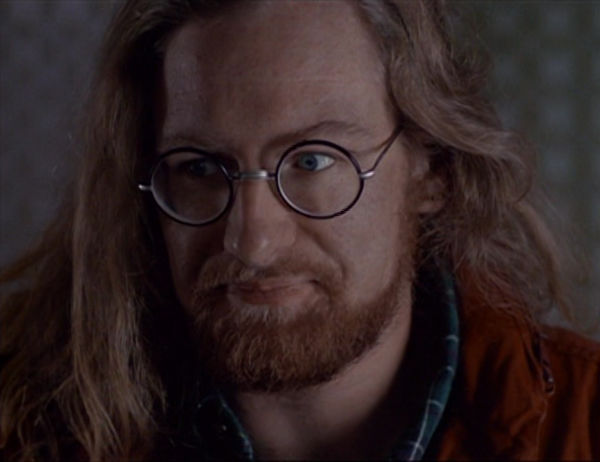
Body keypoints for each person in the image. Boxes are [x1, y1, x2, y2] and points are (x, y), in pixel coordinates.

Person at [1, 0, 598, 460]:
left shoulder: (584, 425)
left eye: (313, 161)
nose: (251, 242)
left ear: (433, 169)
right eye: (200, 168)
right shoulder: (26, 431)